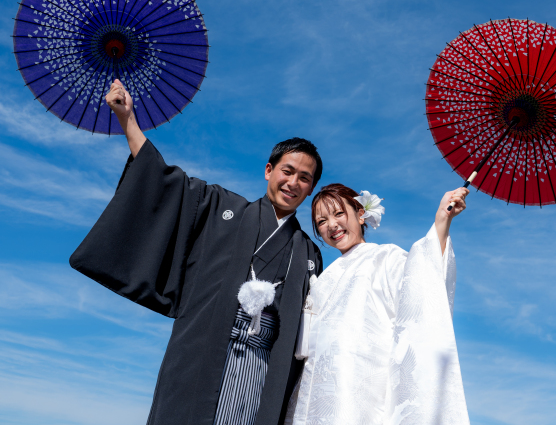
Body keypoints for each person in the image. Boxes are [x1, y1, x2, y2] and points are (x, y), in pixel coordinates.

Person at [70, 80, 324, 425]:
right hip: (203, 350)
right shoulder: (220, 207)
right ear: (269, 171)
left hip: (263, 367)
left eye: (305, 178)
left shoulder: (307, 251)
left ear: (310, 189)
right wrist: (127, 119)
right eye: (287, 171)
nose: (293, 183)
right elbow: (165, 182)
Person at [284, 184, 470, 424]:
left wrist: (442, 220)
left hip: (361, 391)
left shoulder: (386, 257)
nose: (331, 225)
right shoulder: (323, 279)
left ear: (361, 213)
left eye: (339, 214)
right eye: (321, 221)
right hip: (313, 392)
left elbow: (421, 284)